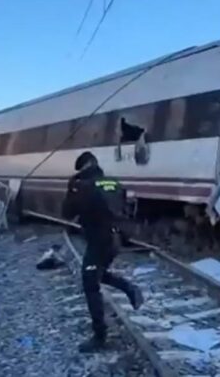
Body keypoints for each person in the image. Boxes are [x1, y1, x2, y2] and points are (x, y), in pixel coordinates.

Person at [62, 151, 145, 353]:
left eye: (80, 169)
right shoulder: (113, 183)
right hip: (115, 240)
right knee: (97, 274)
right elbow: (125, 209)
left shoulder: (84, 187)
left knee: (90, 284)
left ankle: (100, 336)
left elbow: (67, 213)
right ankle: (129, 288)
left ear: (85, 167)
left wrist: (71, 189)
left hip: (99, 241)